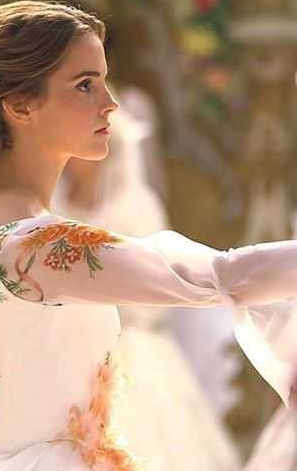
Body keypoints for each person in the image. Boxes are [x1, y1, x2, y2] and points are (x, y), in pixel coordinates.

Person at [0, 1, 297, 470]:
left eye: (103, 81)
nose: (110, 103)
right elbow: (219, 275)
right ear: (20, 104)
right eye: (85, 85)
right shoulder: (40, 247)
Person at [53, 104, 241, 470]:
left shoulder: (135, 208)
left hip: (128, 342)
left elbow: (156, 285)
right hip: (68, 342)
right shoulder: (57, 204)